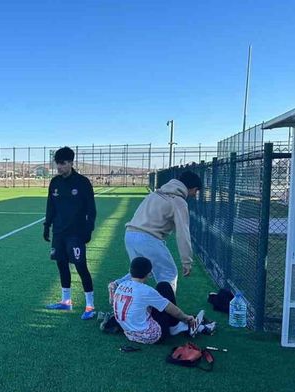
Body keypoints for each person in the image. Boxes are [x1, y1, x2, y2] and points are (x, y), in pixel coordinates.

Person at [108, 171, 202, 301]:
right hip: (148, 238)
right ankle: (166, 310)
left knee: (142, 271)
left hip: (130, 234)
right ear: (191, 188)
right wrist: (187, 261)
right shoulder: (179, 202)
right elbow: (183, 233)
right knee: (169, 273)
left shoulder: (155, 194)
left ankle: (117, 285)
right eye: (196, 191)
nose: (195, 195)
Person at [103, 257, 214, 344]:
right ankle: (176, 326)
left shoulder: (121, 285)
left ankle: (182, 325)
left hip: (130, 333)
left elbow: (113, 302)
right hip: (153, 336)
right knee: (164, 286)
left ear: (130, 271)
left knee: (149, 304)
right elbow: (172, 309)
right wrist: (186, 318)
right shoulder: (146, 291)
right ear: (149, 274)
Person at [43, 146, 98, 320]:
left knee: (81, 267)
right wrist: (47, 225)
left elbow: (91, 209)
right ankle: (66, 301)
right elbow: (50, 206)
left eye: (63, 163)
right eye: (57, 163)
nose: (59, 167)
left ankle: (90, 306)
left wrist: (89, 229)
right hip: (59, 232)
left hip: (76, 233)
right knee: (61, 264)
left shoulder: (82, 182)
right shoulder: (55, 182)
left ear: (71, 163)